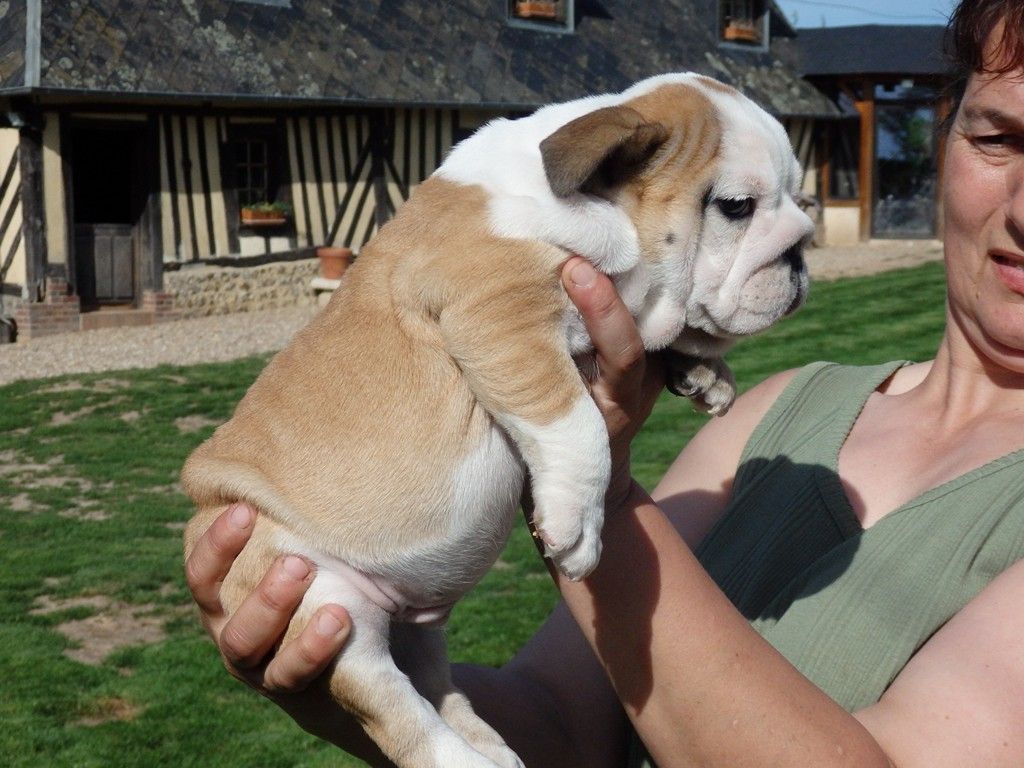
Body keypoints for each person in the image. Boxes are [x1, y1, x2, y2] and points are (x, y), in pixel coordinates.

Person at [185, 1, 1024, 764]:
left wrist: (604, 491)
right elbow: (563, 722)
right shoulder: (776, 420)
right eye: (1000, 138)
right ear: (945, 136)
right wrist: (341, 689)